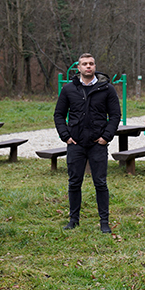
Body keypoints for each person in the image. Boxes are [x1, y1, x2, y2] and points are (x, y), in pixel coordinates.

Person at [54, 53, 121, 233]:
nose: (88, 66)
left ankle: (104, 222)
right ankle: (73, 220)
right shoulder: (69, 89)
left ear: (95, 66)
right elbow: (59, 115)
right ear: (79, 68)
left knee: (100, 183)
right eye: (84, 64)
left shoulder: (106, 89)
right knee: (74, 182)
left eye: (91, 63)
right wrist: (65, 136)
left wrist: (106, 137)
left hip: (97, 144)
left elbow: (115, 115)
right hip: (75, 143)